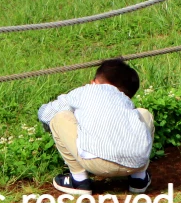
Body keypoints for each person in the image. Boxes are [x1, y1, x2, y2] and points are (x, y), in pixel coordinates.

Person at [37, 59, 154, 195]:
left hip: (96, 164)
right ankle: (139, 179)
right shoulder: (125, 100)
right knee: (144, 113)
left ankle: (79, 181)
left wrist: (50, 127)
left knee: (59, 117)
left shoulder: (85, 91)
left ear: (94, 82)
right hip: (136, 162)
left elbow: (46, 113)